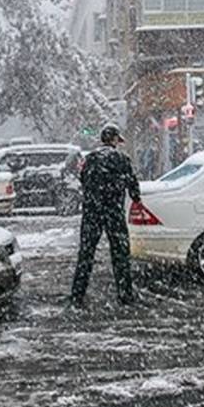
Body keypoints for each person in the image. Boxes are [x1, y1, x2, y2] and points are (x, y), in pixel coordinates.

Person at [68, 122, 141, 306]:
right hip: (113, 212)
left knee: (86, 253)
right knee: (120, 254)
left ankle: (77, 295)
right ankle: (125, 295)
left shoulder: (90, 158)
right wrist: (136, 198)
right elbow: (132, 183)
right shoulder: (121, 159)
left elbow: (83, 179)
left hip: (92, 211)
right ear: (115, 140)